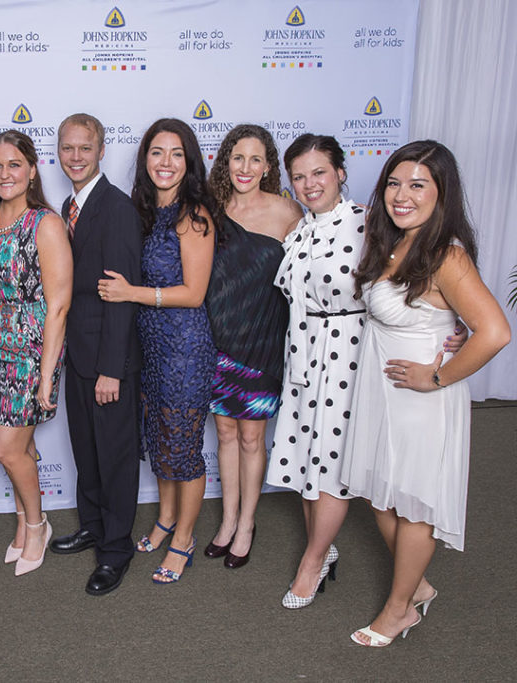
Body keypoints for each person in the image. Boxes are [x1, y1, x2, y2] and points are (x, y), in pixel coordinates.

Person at [265, 134, 466, 609]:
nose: (310, 184)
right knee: (309, 457)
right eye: (299, 176)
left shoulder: (371, 224)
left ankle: (313, 561)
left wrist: (452, 327)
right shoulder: (298, 229)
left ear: (340, 173)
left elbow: (419, 275)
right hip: (305, 354)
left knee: (332, 464)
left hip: (352, 356)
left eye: (320, 172)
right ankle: (379, 571)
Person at [342, 141, 509, 646]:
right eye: (394, 183)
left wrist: (435, 377)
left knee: (413, 505)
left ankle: (399, 611)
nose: (402, 195)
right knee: (380, 497)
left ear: (441, 193)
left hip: (421, 399)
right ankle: (417, 585)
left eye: (418, 185)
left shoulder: (446, 255)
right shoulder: (393, 243)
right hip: (381, 391)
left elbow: (495, 332)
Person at [98, 118, 217, 585]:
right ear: (145, 158)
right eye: (156, 152)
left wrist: (132, 293)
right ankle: (166, 519)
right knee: (161, 439)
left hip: (185, 347)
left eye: (176, 154)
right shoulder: (143, 211)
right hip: (149, 345)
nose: (165, 162)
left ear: (189, 163)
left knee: (183, 449)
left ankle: (183, 539)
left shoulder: (193, 216)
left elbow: (194, 293)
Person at [199, 124, 302, 568]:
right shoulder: (210, 209)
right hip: (217, 339)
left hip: (262, 340)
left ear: (267, 167)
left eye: (255, 159)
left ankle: (246, 524)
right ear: (226, 162)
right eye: (237, 158)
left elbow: (313, 275)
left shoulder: (288, 212)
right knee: (224, 432)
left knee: (251, 436)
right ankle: (227, 520)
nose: (245, 167)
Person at [0, 130, 72, 576]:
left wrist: (46, 374)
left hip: (32, 353)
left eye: (14, 164)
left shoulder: (45, 224)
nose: (5, 174)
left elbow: (59, 305)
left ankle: (37, 525)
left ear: (32, 170)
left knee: (5, 448)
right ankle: (21, 522)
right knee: (22, 446)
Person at [49, 113, 142, 596]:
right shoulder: (68, 207)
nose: (76, 157)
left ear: (102, 150)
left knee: (115, 457)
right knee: (86, 450)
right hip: (77, 354)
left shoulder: (117, 208)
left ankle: (116, 549)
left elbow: (121, 296)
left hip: (108, 360)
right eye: (68, 148)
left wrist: (111, 370)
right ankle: (92, 526)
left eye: (85, 148)